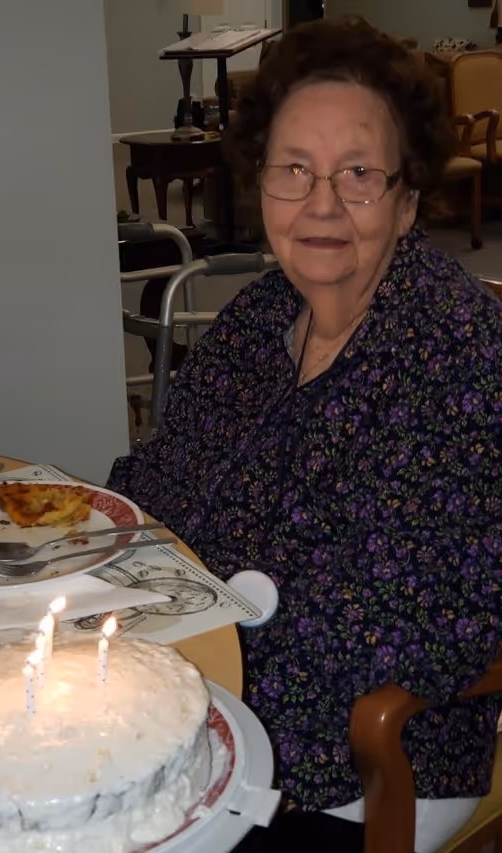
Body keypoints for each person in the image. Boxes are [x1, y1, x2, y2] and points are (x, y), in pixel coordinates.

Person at [108, 17, 502, 853]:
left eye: (357, 173)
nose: (321, 205)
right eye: (294, 170)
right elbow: (157, 483)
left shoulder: (459, 353)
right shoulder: (259, 318)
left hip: (353, 769)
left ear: (405, 202)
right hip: (188, 705)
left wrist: (195, 673)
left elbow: (451, 624)